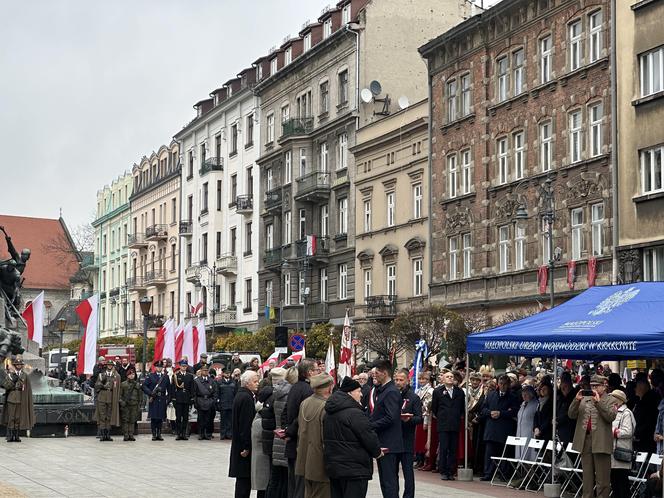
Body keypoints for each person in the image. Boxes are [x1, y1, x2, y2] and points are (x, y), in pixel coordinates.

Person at [323, 376, 383, 498]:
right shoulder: (355, 413)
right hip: (355, 469)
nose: (361, 395)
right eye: (358, 391)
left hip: (335, 467)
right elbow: (368, 436)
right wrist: (377, 452)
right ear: (349, 393)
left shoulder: (330, 412)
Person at [568, 374, 616, 498]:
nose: (593, 388)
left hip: (601, 441)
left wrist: (599, 403)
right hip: (586, 440)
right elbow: (571, 415)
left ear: (604, 387)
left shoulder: (611, 400)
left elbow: (610, 417)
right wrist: (576, 400)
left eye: (596, 386)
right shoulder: (584, 398)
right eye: (592, 385)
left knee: (603, 480)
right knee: (587, 478)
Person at [295, 373, 334, 498]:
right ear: (329, 387)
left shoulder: (305, 403)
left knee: (309, 493)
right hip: (319, 462)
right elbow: (326, 438)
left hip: (304, 458)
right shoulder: (326, 406)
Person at [369, 359, 402, 498]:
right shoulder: (383, 390)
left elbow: (391, 417)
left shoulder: (391, 392)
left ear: (384, 373)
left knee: (389, 481)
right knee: (385, 481)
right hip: (383, 441)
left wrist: (370, 425)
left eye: (376, 373)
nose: (374, 375)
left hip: (389, 443)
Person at [285, 359, 317, 498]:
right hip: (300, 442)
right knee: (300, 487)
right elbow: (303, 416)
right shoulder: (308, 390)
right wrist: (290, 431)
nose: (318, 372)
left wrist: (286, 430)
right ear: (310, 372)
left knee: (293, 485)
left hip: (292, 441)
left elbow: (285, 411)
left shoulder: (295, 387)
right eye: (316, 370)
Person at [266, 366, 297, 498]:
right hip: (286, 438)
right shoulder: (290, 395)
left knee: (276, 478)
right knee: (285, 480)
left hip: (277, 438)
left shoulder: (278, 393)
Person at [480, 374, 519, 481]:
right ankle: (488, 473)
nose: (503, 386)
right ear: (498, 384)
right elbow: (483, 409)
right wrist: (490, 413)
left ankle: (503, 474)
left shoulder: (513, 396)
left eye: (505, 384)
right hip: (491, 429)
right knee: (489, 453)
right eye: (501, 384)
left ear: (509, 385)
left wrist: (501, 413)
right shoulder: (491, 394)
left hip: (504, 429)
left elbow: (515, 411)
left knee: (504, 453)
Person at [393, 368, 422, 497]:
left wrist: (408, 419)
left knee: (408, 473)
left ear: (407, 380)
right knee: (392, 473)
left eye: (401, 380)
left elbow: (419, 418)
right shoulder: (391, 394)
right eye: (396, 380)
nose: (398, 382)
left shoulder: (413, 397)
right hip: (392, 441)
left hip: (406, 440)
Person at [230, 369, 259, 498]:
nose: (257, 383)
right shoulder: (246, 398)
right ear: (247, 383)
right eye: (255, 381)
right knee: (243, 480)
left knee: (242, 480)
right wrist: (246, 446)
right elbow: (245, 425)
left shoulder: (241, 395)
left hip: (239, 443)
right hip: (243, 447)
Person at [431, 370, 465, 481]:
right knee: (444, 448)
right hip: (443, 423)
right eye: (447, 377)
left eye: (451, 376)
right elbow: (434, 408)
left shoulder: (459, 392)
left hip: (455, 423)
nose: (450, 378)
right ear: (443, 379)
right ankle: (443, 471)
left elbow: (461, 408)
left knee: (453, 448)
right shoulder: (437, 391)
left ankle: (451, 471)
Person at [1, 356, 34, 442]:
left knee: (18, 418)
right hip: (11, 398)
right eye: (17, 364)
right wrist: (13, 380)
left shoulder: (24, 375)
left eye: (20, 364)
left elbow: (27, 389)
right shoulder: (10, 375)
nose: (19, 366)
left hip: (20, 398)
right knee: (11, 417)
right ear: (15, 365)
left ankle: (16, 436)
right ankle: (10, 436)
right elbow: (6, 386)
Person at [609, 390, 635, 498]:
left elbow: (628, 431)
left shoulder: (627, 413)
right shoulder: (613, 411)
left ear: (619, 400)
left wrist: (614, 431)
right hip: (613, 452)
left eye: (613, 397)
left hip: (621, 452)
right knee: (614, 482)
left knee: (622, 483)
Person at [252, 385, 274, 498]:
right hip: (263, 458)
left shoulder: (260, 416)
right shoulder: (260, 419)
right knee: (263, 487)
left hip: (263, 457)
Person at [632, 374, 661, 454]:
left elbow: (647, 421)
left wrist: (637, 434)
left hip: (645, 440)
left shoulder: (646, 402)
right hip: (644, 439)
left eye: (636, 387)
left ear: (642, 388)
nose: (635, 389)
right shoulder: (643, 400)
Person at [142, 360, 171, 441]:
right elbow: (144, 386)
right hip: (154, 399)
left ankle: (159, 434)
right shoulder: (151, 376)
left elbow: (169, 389)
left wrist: (168, 399)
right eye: (158, 367)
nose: (159, 368)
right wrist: (150, 393)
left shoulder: (165, 377)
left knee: (160, 418)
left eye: (161, 367)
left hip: (162, 399)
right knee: (154, 418)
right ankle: (154, 434)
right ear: (155, 367)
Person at [94, 358, 120, 441]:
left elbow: (117, 387)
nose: (110, 366)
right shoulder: (101, 375)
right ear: (106, 366)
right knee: (102, 416)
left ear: (113, 366)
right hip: (102, 397)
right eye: (108, 365)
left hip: (111, 397)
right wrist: (102, 385)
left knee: (109, 416)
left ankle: (108, 435)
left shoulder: (116, 375)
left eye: (111, 365)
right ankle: (102, 435)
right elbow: (96, 385)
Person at [414, 371, 435, 469]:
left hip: (426, 417)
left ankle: (427, 461)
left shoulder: (430, 391)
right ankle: (419, 459)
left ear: (428, 380)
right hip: (419, 416)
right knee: (418, 440)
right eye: (420, 379)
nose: (421, 381)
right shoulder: (418, 390)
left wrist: (426, 420)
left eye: (424, 379)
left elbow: (428, 406)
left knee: (425, 440)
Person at [171, 359, 194, 440]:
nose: (184, 367)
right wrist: (173, 398)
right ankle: (178, 433)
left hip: (186, 399)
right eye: (182, 366)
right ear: (180, 366)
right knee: (178, 417)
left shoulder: (190, 376)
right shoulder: (176, 376)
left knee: (185, 417)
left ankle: (184, 433)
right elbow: (173, 388)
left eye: (185, 366)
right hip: (178, 399)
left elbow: (192, 388)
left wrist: (191, 398)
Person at [192, 363, 216, 440]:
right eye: (204, 370)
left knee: (208, 419)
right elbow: (194, 393)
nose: (205, 372)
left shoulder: (211, 380)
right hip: (200, 401)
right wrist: (196, 403)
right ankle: (201, 434)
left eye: (206, 370)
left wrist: (213, 401)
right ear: (201, 371)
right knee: (201, 419)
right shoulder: (197, 381)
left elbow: (215, 392)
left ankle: (208, 434)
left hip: (209, 401)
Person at [515, 385, 538, 460]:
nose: (524, 396)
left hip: (529, 433)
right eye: (523, 394)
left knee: (528, 455)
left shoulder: (536, 404)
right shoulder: (523, 404)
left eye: (526, 394)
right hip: (520, 432)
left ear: (531, 394)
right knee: (520, 454)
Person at [119, 368, 141, 441]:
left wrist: (139, 404)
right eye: (130, 374)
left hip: (134, 405)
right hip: (126, 405)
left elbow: (140, 395)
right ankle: (126, 435)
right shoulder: (123, 384)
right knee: (125, 420)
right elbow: (120, 395)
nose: (132, 376)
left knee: (132, 420)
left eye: (133, 374)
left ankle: (131, 434)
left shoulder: (137, 384)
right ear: (127, 375)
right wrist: (121, 402)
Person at [218, 367, 237, 440]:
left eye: (228, 373)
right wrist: (218, 403)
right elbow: (217, 393)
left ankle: (229, 434)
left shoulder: (233, 382)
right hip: (223, 403)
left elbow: (235, 393)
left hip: (231, 403)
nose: (227, 374)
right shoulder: (219, 382)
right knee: (223, 420)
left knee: (230, 420)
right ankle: (223, 434)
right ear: (223, 374)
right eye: (226, 373)